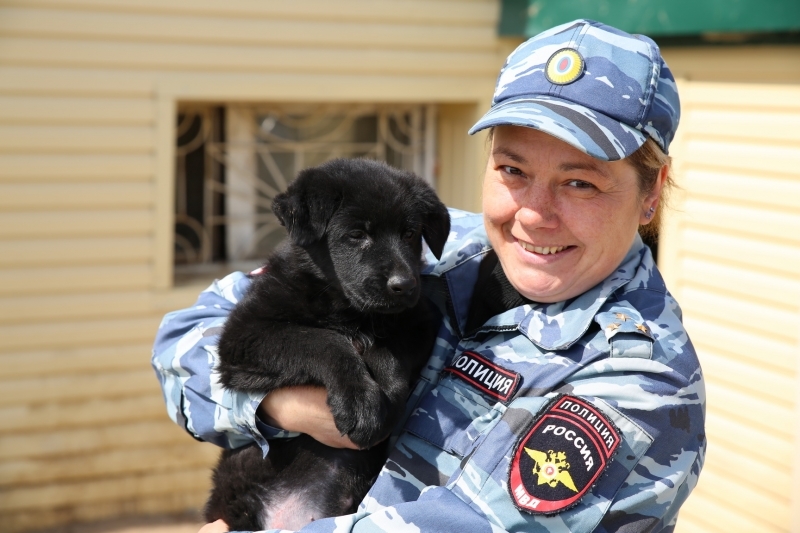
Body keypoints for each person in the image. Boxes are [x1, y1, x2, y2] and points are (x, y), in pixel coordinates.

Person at [152, 19, 705, 533]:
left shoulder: (639, 382)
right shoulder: (430, 241)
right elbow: (185, 340)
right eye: (513, 169)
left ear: (650, 194)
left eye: (580, 182)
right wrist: (281, 407)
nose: (534, 213)